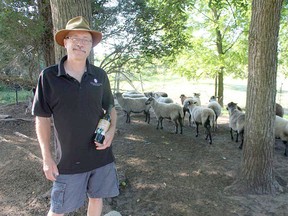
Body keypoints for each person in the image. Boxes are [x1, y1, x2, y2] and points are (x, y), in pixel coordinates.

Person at [32, 16, 119, 216]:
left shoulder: (100, 75)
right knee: (58, 209)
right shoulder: (49, 77)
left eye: (86, 39)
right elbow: (42, 118)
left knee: (97, 198)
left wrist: (112, 132)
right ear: (65, 42)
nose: (80, 43)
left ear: (91, 46)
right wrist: (47, 158)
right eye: (75, 38)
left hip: (101, 156)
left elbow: (111, 108)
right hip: (68, 162)